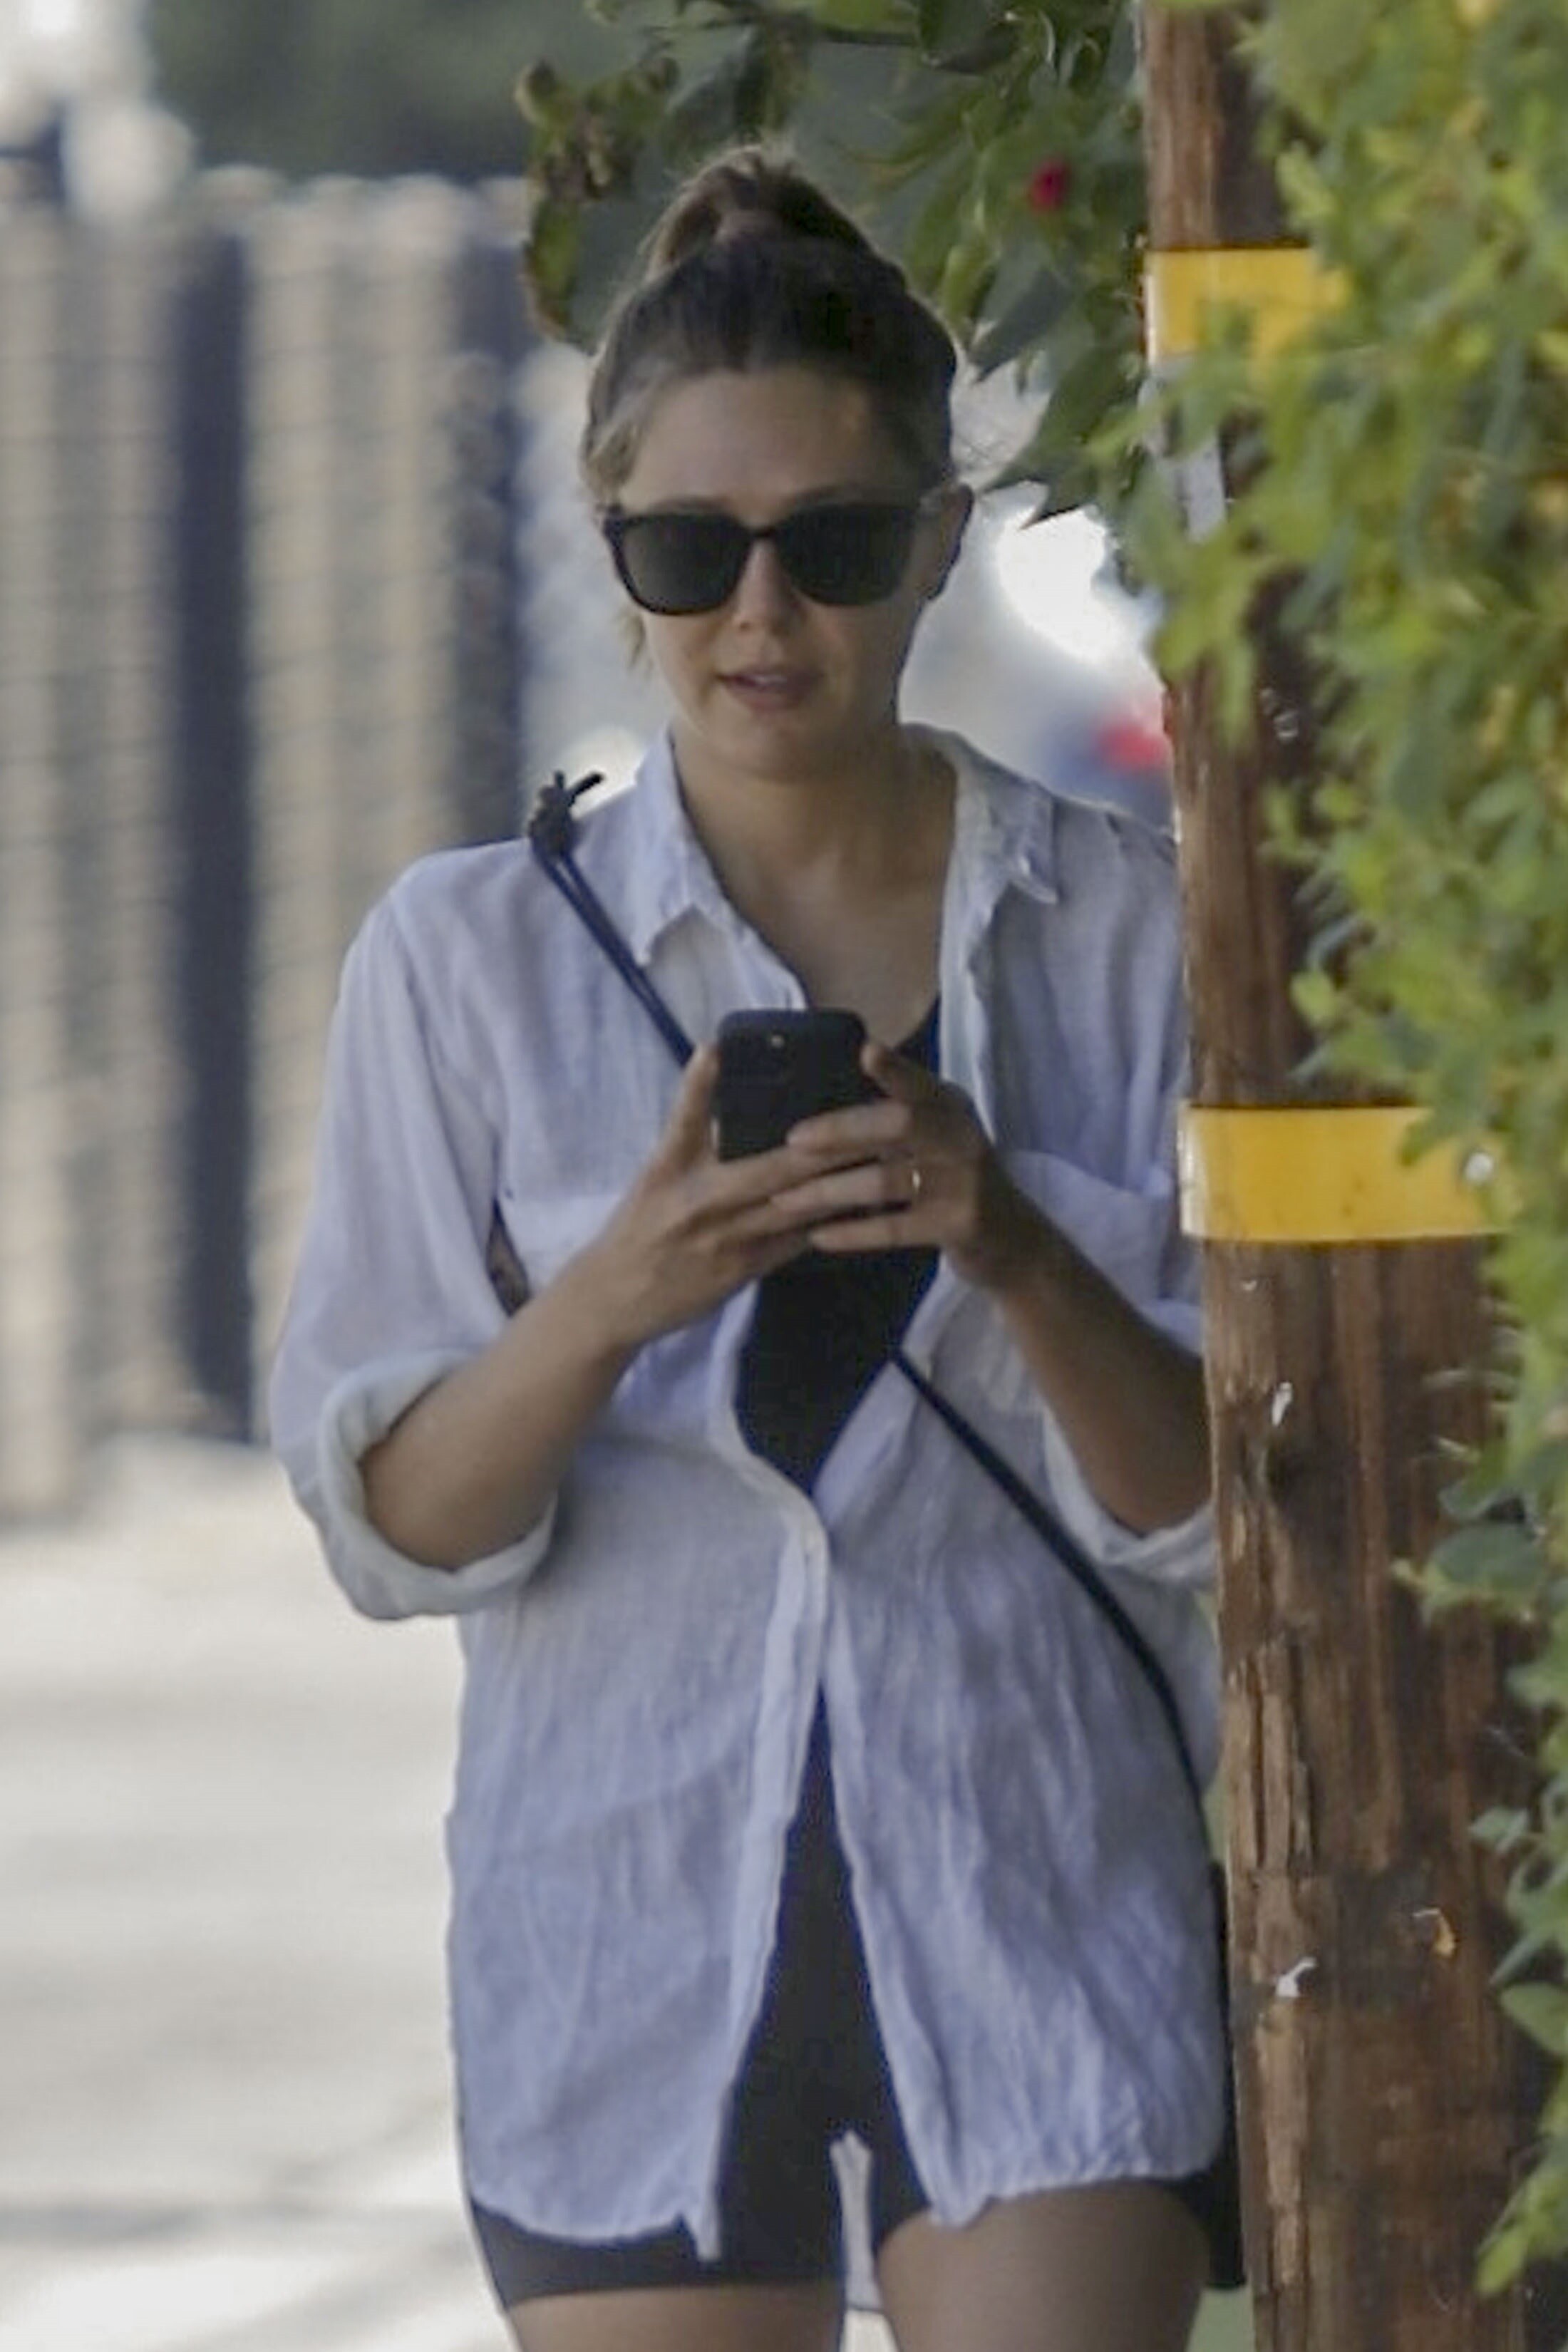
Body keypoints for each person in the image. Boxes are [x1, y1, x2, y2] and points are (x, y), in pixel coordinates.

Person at [269, 145, 1229, 2352]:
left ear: (941, 544)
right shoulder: (468, 961)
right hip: (626, 1930)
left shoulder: (1134, 937)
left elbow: (1222, 1509)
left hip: (1041, 1902)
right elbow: (398, 1529)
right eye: (691, 550)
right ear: (612, 546)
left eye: (836, 545)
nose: (762, 616)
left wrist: (1010, 1238)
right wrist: (623, 1289)